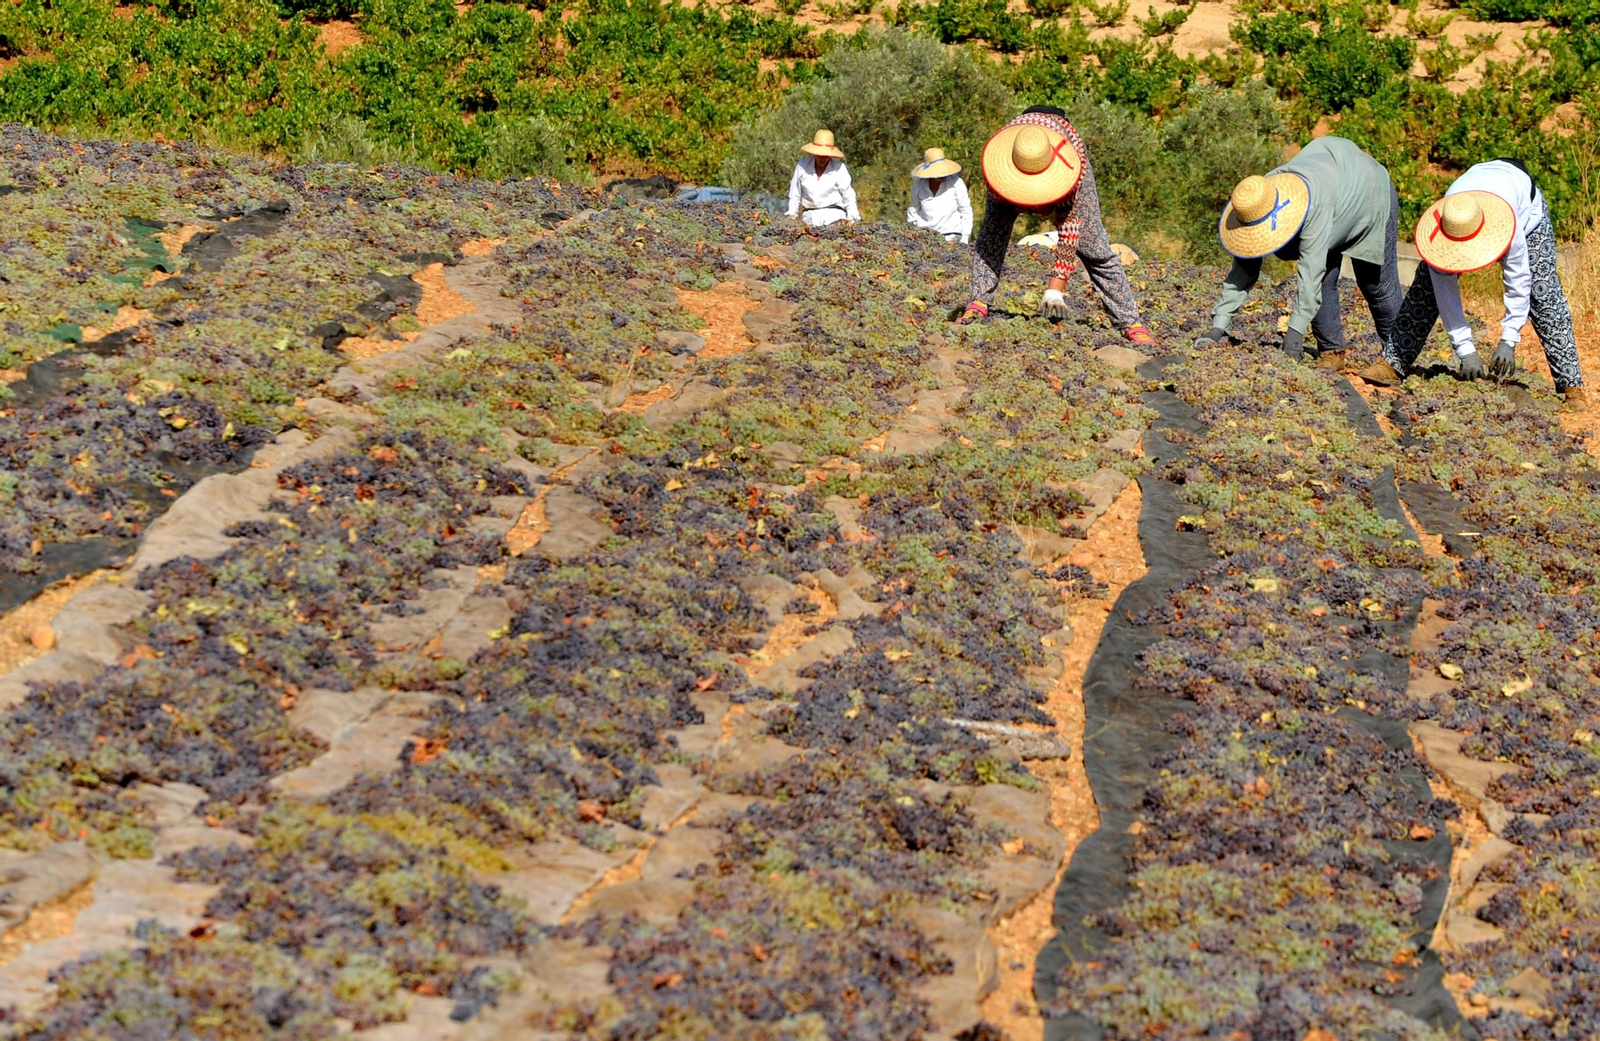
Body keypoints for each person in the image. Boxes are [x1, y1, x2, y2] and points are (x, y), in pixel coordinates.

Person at [1359, 160, 1585, 406]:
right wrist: (1466, 351)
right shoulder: (1449, 221)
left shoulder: (1511, 227)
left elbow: (1519, 281)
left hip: (1524, 207)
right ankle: (1392, 362)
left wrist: (1509, 340)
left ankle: (1571, 385)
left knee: (1543, 292)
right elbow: (1445, 294)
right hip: (1480, 186)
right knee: (1426, 286)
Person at [1195, 136, 1402, 369]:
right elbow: (1242, 272)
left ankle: (1396, 360)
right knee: (1323, 279)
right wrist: (1218, 327)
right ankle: (1331, 352)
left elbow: (1310, 272)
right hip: (1334, 183)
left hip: (1369, 189)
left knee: (1376, 284)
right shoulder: (1255, 201)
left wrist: (1295, 332)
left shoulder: (1312, 205)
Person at [957, 106, 1153, 346]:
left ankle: (1130, 323)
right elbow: (991, 238)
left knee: (1095, 248)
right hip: (1015, 157)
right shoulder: (999, 172)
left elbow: (1069, 231)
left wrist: (1055, 289)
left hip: (1062, 158)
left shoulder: (1071, 169)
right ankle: (978, 302)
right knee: (991, 238)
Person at [786, 130, 859, 229]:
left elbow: (848, 196)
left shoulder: (839, 168)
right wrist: (791, 217)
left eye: (826, 155)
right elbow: (795, 195)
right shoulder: (802, 166)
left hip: (835, 217)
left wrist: (853, 219)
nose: (823, 158)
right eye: (820, 155)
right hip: (809, 218)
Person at [906, 147, 973, 244]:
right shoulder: (919, 186)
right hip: (925, 236)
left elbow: (965, 210)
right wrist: (913, 232)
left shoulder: (956, 183)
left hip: (951, 235)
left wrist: (965, 237)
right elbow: (913, 210)